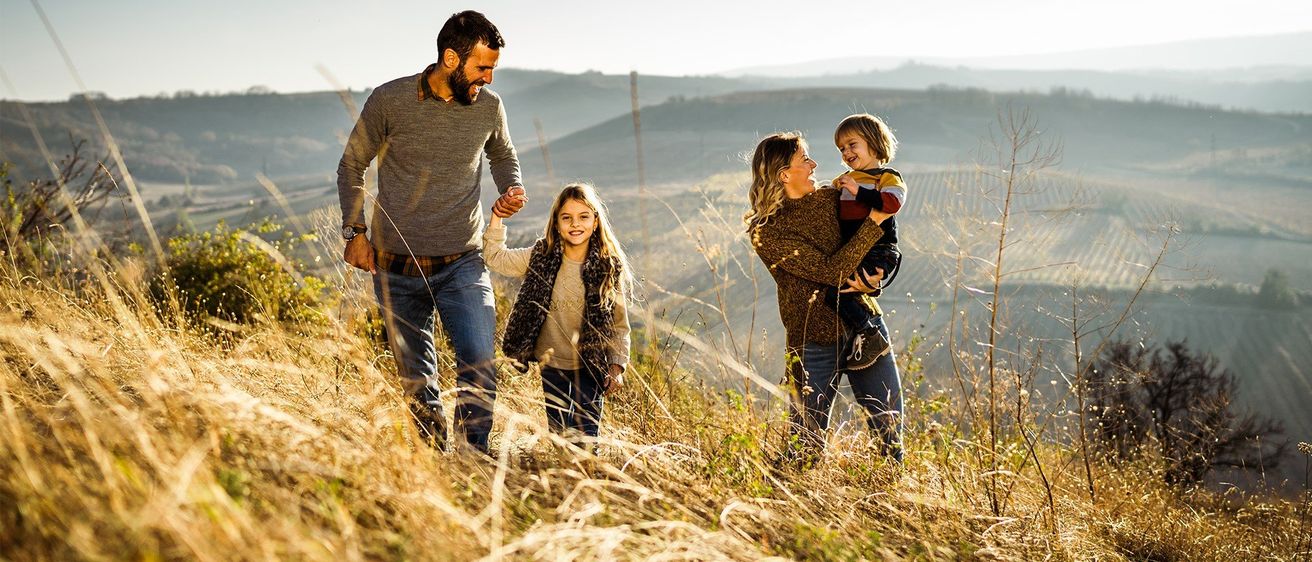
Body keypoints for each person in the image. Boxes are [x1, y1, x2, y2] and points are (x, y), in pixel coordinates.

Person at [336, 10, 527, 454]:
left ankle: (471, 457)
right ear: (450, 59)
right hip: (396, 269)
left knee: (479, 360)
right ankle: (433, 458)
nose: (489, 78)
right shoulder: (390, 100)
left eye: (493, 68)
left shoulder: (489, 108)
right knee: (416, 378)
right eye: (482, 67)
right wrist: (355, 232)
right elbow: (351, 165)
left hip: (463, 261)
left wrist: (511, 186)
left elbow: (503, 154)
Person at [746, 131, 904, 462]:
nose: (814, 163)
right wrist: (875, 219)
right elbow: (830, 271)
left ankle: (894, 504)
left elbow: (878, 242)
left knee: (889, 434)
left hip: (864, 326)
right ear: (784, 174)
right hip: (813, 339)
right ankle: (787, 504)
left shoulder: (833, 198)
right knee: (805, 445)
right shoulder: (767, 231)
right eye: (805, 159)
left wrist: (875, 279)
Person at [483, 183, 633, 449]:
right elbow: (496, 258)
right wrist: (498, 216)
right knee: (561, 439)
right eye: (567, 217)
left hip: (589, 367)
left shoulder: (607, 267)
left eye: (584, 217)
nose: (575, 224)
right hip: (551, 367)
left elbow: (619, 325)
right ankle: (567, 485)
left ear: (596, 222)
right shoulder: (543, 256)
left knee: (586, 442)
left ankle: (588, 482)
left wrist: (617, 366)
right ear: (556, 223)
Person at [829, 113, 907, 370]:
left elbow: (893, 203)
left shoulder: (886, 177)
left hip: (879, 250)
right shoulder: (848, 179)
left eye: (852, 144)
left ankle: (869, 333)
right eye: (841, 148)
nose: (846, 152)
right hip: (856, 251)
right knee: (836, 292)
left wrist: (857, 191)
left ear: (873, 142)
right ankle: (864, 327)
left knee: (836, 294)